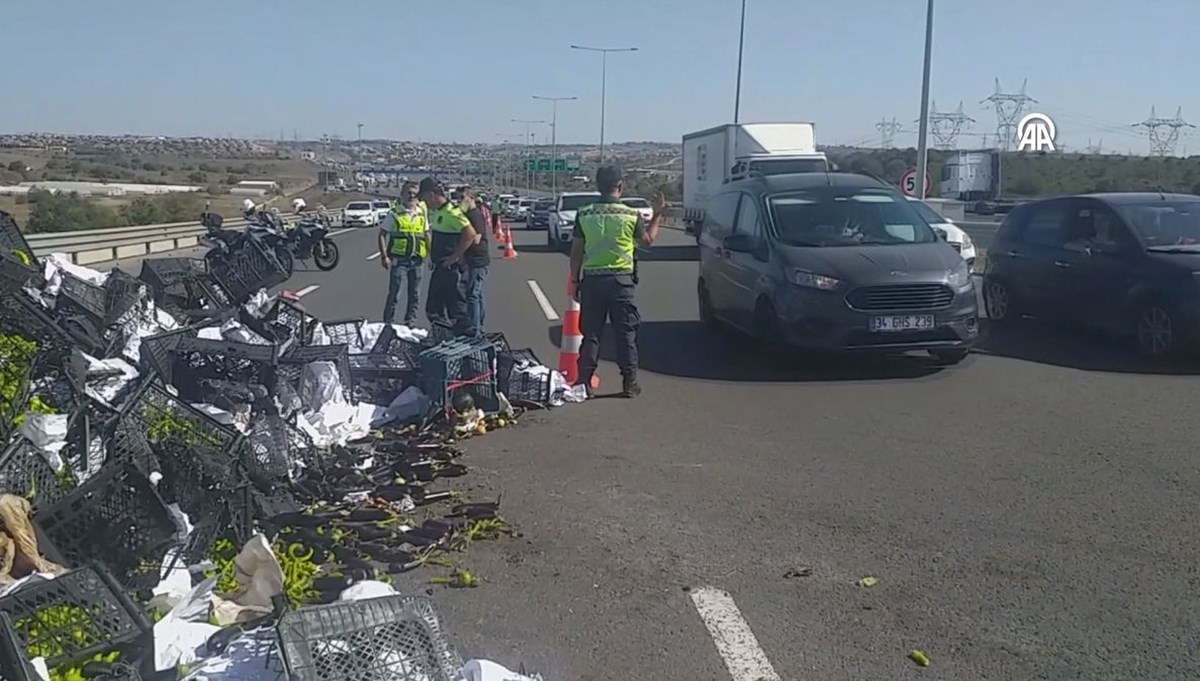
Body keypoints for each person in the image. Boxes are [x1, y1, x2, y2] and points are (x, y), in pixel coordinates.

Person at [569, 166, 665, 398]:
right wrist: (658, 214)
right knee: (625, 334)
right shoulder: (630, 215)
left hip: (592, 281)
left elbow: (576, 252)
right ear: (620, 186)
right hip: (621, 282)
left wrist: (575, 280)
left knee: (591, 333)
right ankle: (629, 383)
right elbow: (648, 240)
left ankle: (584, 383)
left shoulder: (584, 214)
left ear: (597, 186)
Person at [418, 177, 478, 336]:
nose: (424, 202)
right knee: (434, 309)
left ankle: (468, 343)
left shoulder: (451, 212)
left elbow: (470, 234)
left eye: (424, 198)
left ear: (431, 195)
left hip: (452, 269)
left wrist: (455, 257)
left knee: (457, 311)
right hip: (441, 267)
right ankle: (443, 337)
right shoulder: (439, 212)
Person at [377, 181, 428, 326]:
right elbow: (382, 234)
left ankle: (410, 323)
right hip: (399, 261)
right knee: (395, 294)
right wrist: (384, 256)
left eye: (414, 194)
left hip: (417, 261)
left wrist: (430, 255)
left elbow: (426, 235)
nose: (411, 196)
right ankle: (388, 323)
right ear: (402, 195)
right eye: (408, 193)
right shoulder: (394, 214)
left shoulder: (421, 214)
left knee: (415, 294)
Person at [458, 188, 490, 336]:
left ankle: (476, 330)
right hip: (471, 259)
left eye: (463, 198)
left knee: (473, 295)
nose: (460, 201)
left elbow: (476, 238)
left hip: (478, 259)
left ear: (471, 198)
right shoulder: (466, 215)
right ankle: (478, 326)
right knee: (477, 294)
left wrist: (461, 249)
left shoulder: (475, 215)